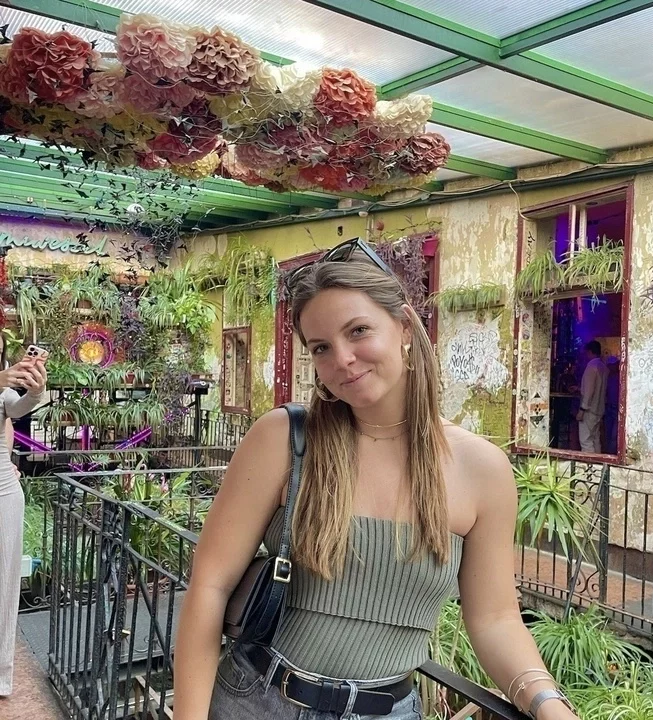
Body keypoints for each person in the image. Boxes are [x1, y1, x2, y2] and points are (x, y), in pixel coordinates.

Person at [174, 238, 578, 720]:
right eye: (321, 347)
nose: (342, 359)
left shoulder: (482, 470)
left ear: (404, 327)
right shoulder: (285, 439)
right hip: (258, 701)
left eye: (358, 330)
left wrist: (547, 702)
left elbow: (494, 618)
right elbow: (210, 586)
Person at [0, 338, 48, 698]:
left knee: (5, 582)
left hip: (4, 486)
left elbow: (16, 409)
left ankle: (2, 674)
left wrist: (36, 390)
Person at [576, 341, 608, 454]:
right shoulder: (603, 367)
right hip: (599, 409)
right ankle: (597, 462)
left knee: (586, 441)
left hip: (589, 411)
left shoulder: (591, 367)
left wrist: (582, 410)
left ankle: (588, 463)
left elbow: (589, 391)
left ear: (589, 352)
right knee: (595, 439)